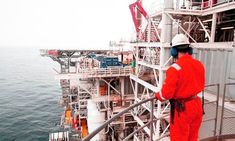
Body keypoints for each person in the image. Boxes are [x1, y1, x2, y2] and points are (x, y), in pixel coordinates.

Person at [155, 34, 205, 141]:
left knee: (179, 138)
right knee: (193, 137)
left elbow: (166, 94)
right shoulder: (199, 64)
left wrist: (157, 95)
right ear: (189, 49)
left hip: (182, 109)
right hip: (197, 105)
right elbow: (201, 84)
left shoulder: (174, 69)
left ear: (174, 51)